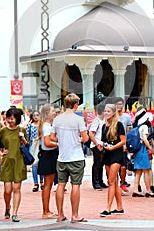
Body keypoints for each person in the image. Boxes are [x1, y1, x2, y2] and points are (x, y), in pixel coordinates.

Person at [50, 93, 88, 223]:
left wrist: (62, 140)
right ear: (76, 104)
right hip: (76, 156)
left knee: (60, 184)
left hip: (62, 157)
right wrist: (78, 139)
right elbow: (85, 138)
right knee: (75, 185)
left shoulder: (57, 119)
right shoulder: (78, 119)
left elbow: (52, 137)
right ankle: (75, 215)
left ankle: (60, 214)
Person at [0, 107, 28, 222]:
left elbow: (27, 145)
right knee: (8, 190)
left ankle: (15, 213)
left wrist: (23, 139)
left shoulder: (21, 130)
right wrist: (0, 152)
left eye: (12, 119)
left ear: (17, 119)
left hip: (19, 161)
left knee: (17, 188)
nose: (10, 121)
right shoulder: (3, 130)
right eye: (8, 118)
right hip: (7, 162)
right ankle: (7, 207)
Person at [98, 104, 126, 217]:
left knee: (111, 181)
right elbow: (103, 141)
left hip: (116, 154)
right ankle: (119, 207)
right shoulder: (104, 126)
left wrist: (112, 148)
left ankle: (108, 208)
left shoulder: (118, 125)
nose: (106, 113)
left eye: (108, 111)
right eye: (105, 111)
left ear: (114, 113)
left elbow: (123, 141)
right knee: (113, 182)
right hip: (107, 154)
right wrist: (101, 146)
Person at [131, 107, 154, 198]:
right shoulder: (145, 126)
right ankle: (149, 190)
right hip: (142, 149)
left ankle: (135, 190)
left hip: (137, 150)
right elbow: (145, 139)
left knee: (138, 171)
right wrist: (150, 148)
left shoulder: (137, 125)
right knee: (146, 170)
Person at [38, 104, 58, 218]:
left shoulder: (48, 125)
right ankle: (45, 211)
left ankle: (47, 210)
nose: (54, 113)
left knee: (48, 184)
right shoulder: (46, 126)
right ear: (47, 114)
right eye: (52, 112)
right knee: (47, 185)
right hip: (48, 155)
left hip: (49, 155)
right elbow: (47, 143)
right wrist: (58, 144)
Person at [115, 97, 132, 195]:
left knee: (123, 167)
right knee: (114, 167)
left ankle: (123, 182)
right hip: (113, 145)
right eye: (117, 104)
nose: (119, 106)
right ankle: (115, 184)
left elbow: (129, 131)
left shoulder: (127, 117)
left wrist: (126, 143)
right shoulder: (112, 116)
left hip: (123, 144)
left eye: (120, 104)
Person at [89, 103, 107, 190]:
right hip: (97, 145)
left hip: (102, 144)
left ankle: (100, 181)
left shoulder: (104, 120)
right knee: (97, 163)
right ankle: (95, 182)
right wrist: (96, 144)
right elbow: (91, 134)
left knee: (101, 163)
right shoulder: (96, 121)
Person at [26, 110, 44, 192]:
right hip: (33, 145)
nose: (36, 117)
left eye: (37, 115)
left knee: (41, 164)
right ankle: (35, 183)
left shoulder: (43, 125)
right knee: (34, 164)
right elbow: (28, 137)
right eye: (34, 115)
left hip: (41, 145)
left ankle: (42, 182)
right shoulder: (30, 125)